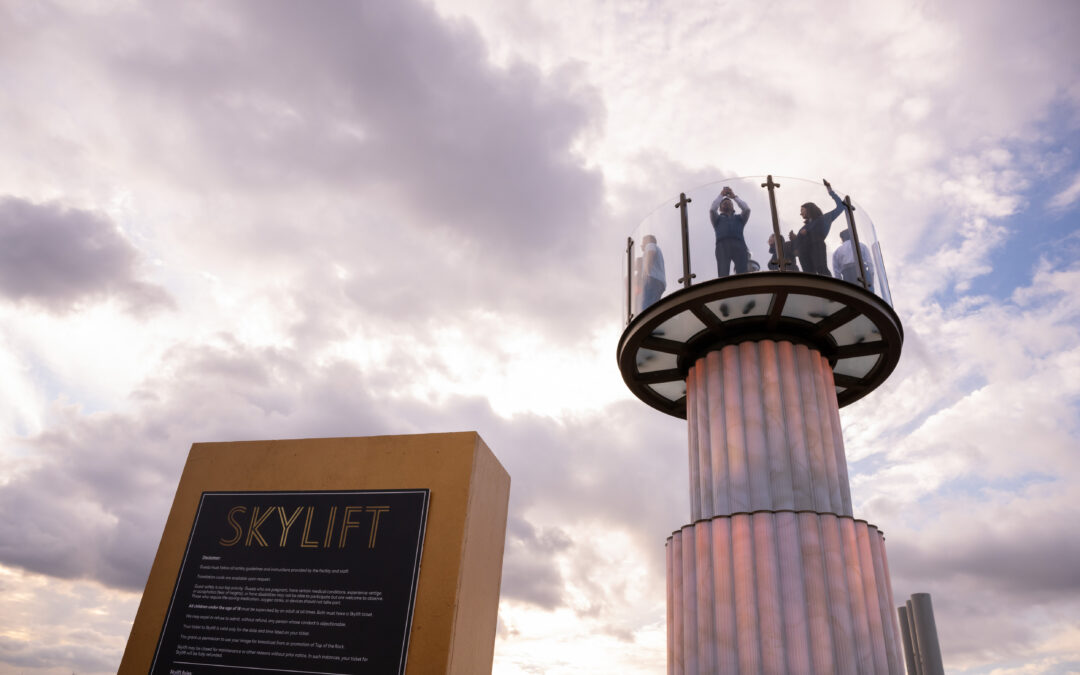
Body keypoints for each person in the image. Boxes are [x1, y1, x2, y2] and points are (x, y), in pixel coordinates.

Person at [792, 179, 845, 276]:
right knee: (808, 275)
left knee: (821, 269)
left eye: (802, 210)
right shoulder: (804, 227)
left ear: (808, 209)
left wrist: (830, 190)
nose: (801, 213)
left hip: (817, 247)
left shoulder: (824, 219)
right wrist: (796, 239)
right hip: (804, 253)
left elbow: (840, 207)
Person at [709, 186, 752, 277]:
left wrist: (734, 197)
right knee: (723, 273)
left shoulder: (739, 218)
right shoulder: (717, 219)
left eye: (729, 203)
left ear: (733, 207)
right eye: (724, 203)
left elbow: (747, 209)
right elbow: (712, 209)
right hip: (722, 245)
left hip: (739, 244)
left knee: (743, 273)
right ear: (720, 208)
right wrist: (721, 195)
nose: (727, 203)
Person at [640, 234, 666, 310]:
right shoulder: (657, 248)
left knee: (646, 307)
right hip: (658, 281)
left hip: (652, 279)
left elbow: (650, 254)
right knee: (654, 306)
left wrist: (647, 273)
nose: (642, 244)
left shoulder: (650, 245)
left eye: (643, 241)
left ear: (648, 240)